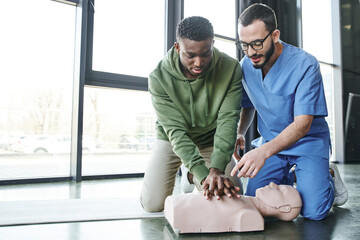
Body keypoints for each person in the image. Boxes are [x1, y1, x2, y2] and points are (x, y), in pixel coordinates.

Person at [230, 3, 348, 221]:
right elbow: (248, 102)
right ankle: (292, 175)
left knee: (314, 212)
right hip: (271, 142)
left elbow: (303, 124)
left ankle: (328, 175)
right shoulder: (246, 65)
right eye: (244, 45)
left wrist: (263, 152)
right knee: (258, 202)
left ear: (275, 35)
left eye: (256, 43)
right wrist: (240, 132)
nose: (251, 52)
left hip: (308, 142)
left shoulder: (306, 65)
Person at [140, 16, 243, 212]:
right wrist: (204, 175)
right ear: (178, 48)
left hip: (211, 140)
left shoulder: (230, 68)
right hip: (172, 140)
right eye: (190, 55)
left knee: (231, 196)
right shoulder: (158, 77)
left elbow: (228, 120)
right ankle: (193, 172)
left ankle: (189, 176)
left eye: (205, 53)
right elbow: (176, 132)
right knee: (153, 204)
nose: (199, 62)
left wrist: (217, 169)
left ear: (212, 44)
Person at [164, 182, 302, 233]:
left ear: (285, 208)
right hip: (178, 204)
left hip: (181, 210)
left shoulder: (251, 216)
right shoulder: (248, 202)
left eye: (279, 190)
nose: (272, 184)